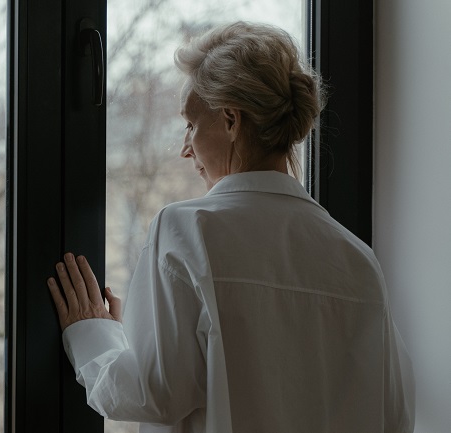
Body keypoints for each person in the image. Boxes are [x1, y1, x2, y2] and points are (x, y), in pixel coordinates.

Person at [47, 21, 414, 433]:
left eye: (191, 124)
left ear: (231, 120)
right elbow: (395, 417)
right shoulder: (359, 260)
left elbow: (153, 394)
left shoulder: (187, 231)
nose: (186, 148)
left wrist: (92, 334)